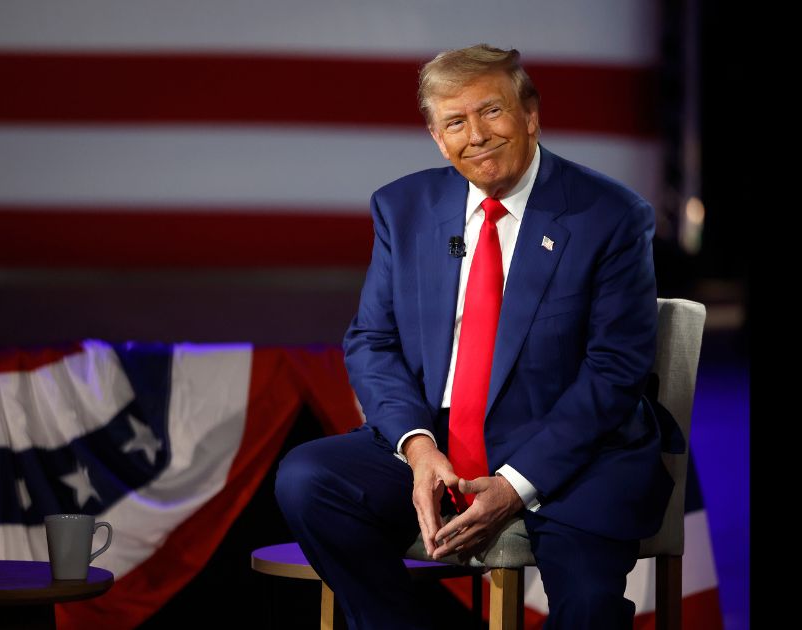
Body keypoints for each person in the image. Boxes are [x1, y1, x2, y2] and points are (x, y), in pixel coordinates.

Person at [275, 44, 680, 630]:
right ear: (438, 139)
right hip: (439, 437)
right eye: (455, 122)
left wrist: (517, 485)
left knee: (589, 606)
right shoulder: (403, 208)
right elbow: (372, 341)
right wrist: (417, 449)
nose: (477, 135)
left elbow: (615, 371)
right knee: (309, 480)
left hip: (572, 451)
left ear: (531, 115)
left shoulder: (610, 215)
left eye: (491, 111)